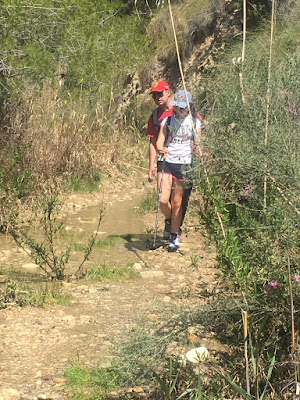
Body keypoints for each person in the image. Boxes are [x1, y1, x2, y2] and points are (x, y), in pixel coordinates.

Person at [156, 90, 202, 252]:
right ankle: (170, 221)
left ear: (189, 106)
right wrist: (161, 148)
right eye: (178, 107)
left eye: (184, 107)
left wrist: (199, 151)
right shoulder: (167, 120)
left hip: (184, 164)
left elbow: (198, 144)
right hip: (166, 161)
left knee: (177, 202)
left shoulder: (195, 123)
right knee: (162, 200)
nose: (180, 110)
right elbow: (159, 141)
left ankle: (174, 234)